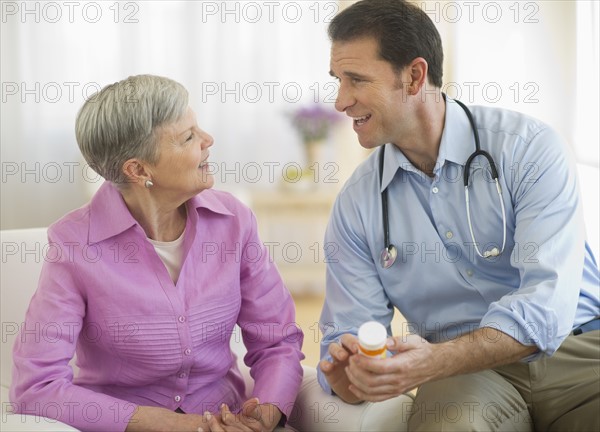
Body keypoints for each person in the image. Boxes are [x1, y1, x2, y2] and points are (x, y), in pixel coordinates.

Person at [317, 0, 600, 430]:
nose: (340, 101)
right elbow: (347, 337)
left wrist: (435, 359)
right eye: (338, 80)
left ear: (414, 76)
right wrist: (348, 375)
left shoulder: (529, 149)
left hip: (578, 351)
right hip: (468, 377)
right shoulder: (358, 203)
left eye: (356, 80)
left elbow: (547, 305)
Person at [10, 74, 304, 432]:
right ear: (138, 170)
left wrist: (266, 414)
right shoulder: (74, 245)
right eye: (188, 137)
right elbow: (36, 389)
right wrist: (176, 426)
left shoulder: (233, 222)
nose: (208, 141)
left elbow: (277, 341)